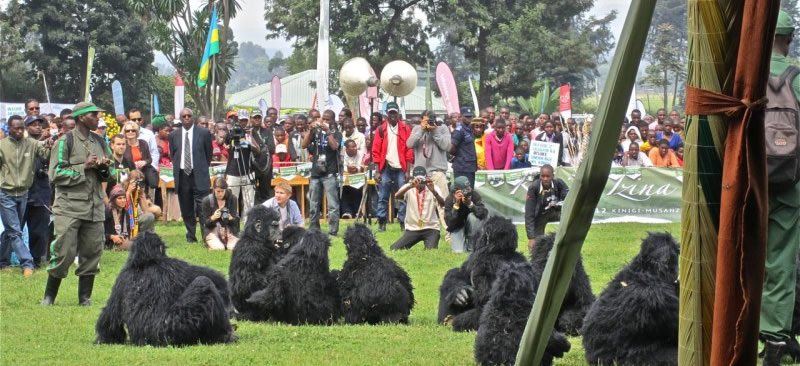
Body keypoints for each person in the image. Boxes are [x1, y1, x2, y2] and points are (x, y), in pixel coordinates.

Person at [43, 102, 112, 306]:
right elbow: (55, 174)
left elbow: (112, 172)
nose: (98, 118)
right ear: (82, 117)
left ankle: (84, 298)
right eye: (94, 115)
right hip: (69, 207)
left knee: (92, 252)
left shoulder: (100, 141)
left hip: (94, 206)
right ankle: (49, 296)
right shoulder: (66, 141)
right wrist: (84, 166)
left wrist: (102, 168)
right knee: (63, 252)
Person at [760, 11, 800, 364]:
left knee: (744, 257)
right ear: (788, 40)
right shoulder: (798, 79)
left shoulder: (744, 77)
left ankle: (739, 328)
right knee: (781, 261)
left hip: (746, 185)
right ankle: (774, 340)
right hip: (790, 185)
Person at [0, 115, 51, 276]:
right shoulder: (2, 146)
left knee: (10, 230)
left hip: (23, 193)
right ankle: (27, 263)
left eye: (22, 127)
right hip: (6, 193)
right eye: (17, 128)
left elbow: (45, 154)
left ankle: (3, 261)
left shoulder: (31, 144)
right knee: (15, 231)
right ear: (9, 128)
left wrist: (49, 145)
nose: (21, 131)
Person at [168, 108, 214, 243]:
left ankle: (206, 235)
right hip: (183, 175)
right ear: (180, 118)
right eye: (184, 116)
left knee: (203, 206)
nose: (187, 118)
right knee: (186, 206)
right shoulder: (174, 135)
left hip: (199, 173)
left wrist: (201, 167)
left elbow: (208, 154)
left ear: (193, 117)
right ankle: (190, 235)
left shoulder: (204, 133)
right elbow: (173, 154)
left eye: (189, 116)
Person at [371, 102, 413, 232]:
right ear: (387, 114)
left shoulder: (406, 129)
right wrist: (377, 171)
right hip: (386, 167)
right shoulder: (380, 129)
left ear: (398, 113)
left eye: (395, 112)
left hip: (401, 168)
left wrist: (408, 170)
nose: (393, 115)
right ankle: (382, 223)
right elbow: (376, 151)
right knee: (383, 196)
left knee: (402, 197)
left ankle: (402, 222)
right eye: (390, 113)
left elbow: (409, 151)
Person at [407, 110, 451, 230]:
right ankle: (419, 230)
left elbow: (447, 146)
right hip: (420, 173)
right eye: (426, 120)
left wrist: (434, 131)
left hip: (438, 172)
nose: (428, 123)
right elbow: (409, 144)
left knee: (443, 204)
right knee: (420, 205)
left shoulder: (442, 129)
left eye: (431, 120)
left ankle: (449, 232)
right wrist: (421, 130)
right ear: (422, 120)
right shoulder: (416, 129)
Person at [303, 109, 343, 236]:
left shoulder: (336, 133)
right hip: (315, 173)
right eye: (323, 119)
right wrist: (310, 129)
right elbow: (304, 145)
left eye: (328, 119)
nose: (325, 121)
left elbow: (334, 146)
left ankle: (333, 231)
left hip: (330, 173)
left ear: (332, 120)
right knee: (313, 204)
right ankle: (314, 230)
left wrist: (328, 131)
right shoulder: (316, 132)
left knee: (332, 205)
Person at [390, 167, 446, 250]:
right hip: (413, 228)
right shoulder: (408, 187)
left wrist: (434, 192)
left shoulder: (434, 188)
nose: (420, 183)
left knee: (431, 251)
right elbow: (396, 196)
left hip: (431, 228)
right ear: (413, 179)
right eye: (418, 180)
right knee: (394, 248)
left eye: (422, 180)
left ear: (426, 178)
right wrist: (410, 186)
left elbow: (443, 204)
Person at [524, 165, 568, 249]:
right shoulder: (533, 188)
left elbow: (568, 195)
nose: (545, 179)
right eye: (542, 176)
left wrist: (562, 198)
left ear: (553, 176)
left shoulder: (559, 183)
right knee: (536, 244)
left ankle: (567, 243)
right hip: (541, 215)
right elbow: (529, 213)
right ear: (539, 175)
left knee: (569, 216)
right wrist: (531, 237)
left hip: (556, 212)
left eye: (548, 176)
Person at [444, 176, 488, 253]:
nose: (468, 190)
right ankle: (463, 244)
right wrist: (456, 206)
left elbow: (484, 214)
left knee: (472, 217)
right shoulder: (450, 199)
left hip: (472, 227)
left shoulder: (474, 194)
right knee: (458, 251)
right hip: (457, 227)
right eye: (465, 189)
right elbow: (449, 224)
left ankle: (472, 247)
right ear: (457, 190)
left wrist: (471, 205)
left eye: (468, 188)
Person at [201, 178, 240, 251]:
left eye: (222, 191)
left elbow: (235, 222)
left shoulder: (232, 199)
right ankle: (210, 243)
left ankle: (224, 242)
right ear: (213, 189)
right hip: (212, 230)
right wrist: (213, 217)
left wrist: (231, 218)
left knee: (233, 247)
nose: (220, 194)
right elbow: (205, 223)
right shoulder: (207, 201)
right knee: (220, 248)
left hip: (228, 231)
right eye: (218, 191)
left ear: (226, 190)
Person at [122, 121, 158, 197]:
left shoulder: (143, 143)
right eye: (128, 131)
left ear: (137, 132)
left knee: (143, 198)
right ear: (125, 132)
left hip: (143, 176)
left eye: (133, 130)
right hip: (128, 176)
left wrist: (144, 162)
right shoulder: (122, 144)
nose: (130, 132)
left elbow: (149, 159)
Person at [449, 111, 479, 188]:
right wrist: (460, 155)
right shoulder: (459, 130)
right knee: (462, 191)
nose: (469, 118)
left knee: (470, 190)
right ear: (462, 117)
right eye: (466, 116)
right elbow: (451, 148)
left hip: (470, 166)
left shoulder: (470, 129)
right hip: (462, 167)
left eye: (470, 116)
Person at [127, 108, 160, 175]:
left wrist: (152, 169)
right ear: (128, 120)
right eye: (134, 120)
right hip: (128, 172)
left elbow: (154, 153)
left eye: (139, 119)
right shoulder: (122, 135)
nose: (137, 121)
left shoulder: (149, 134)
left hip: (146, 170)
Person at [340, 139, 364, 219]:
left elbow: (361, 165)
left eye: (355, 146)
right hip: (344, 179)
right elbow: (341, 167)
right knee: (342, 191)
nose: (355, 148)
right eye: (352, 147)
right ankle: (347, 212)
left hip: (357, 178)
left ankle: (358, 211)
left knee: (357, 191)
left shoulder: (360, 153)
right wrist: (347, 169)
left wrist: (356, 169)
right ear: (346, 149)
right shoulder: (342, 154)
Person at [104, 184, 132, 250]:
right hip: (108, 242)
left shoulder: (126, 212)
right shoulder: (107, 212)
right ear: (114, 200)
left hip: (122, 240)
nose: (123, 200)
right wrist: (112, 237)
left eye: (124, 198)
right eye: (119, 198)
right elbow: (99, 233)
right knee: (135, 246)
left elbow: (127, 232)